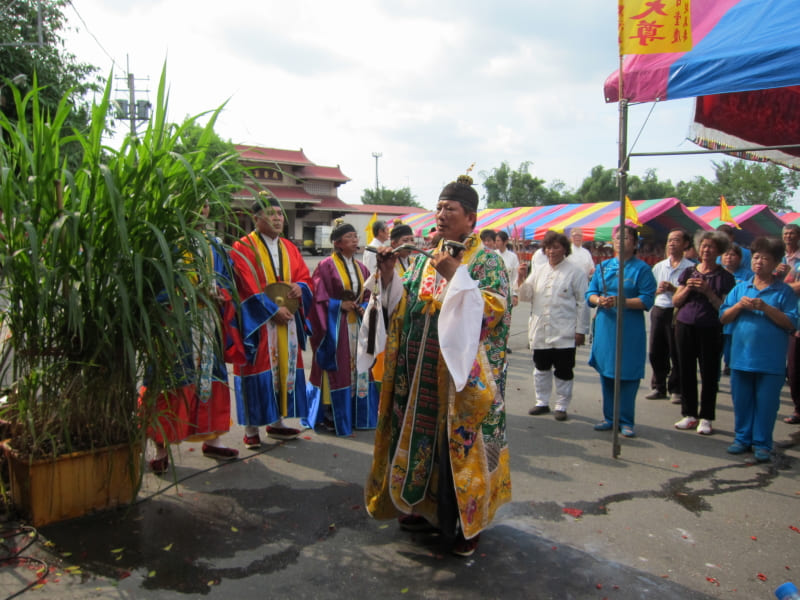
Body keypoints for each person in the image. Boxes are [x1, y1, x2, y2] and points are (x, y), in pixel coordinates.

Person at [365, 174, 511, 557]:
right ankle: (419, 506)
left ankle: (465, 523)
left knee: (455, 453)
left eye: (451, 209)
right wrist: (386, 276)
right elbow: (402, 304)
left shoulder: (487, 261)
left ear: (471, 219)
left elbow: (493, 312)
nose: (441, 215)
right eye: (439, 207)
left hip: (459, 382)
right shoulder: (427, 257)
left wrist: (454, 275)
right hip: (418, 378)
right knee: (418, 442)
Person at [146, 202, 241, 473]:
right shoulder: (167, 242)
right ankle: (160, 445)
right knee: (172, 380)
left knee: (211, 378)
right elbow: (156, 286)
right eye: (195, 203)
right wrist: (184, 297)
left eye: (206, 205)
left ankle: (213, 438)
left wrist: (220, 294)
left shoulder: (215, 245)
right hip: (179, 324)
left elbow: (225, 281)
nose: (201, 210)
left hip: (209, 322)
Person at [230, 194, 313, 449]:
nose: (277, 218)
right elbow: (246, 286)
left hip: (286, 321)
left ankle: (276, 423)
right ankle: (251, 428)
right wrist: (271, 310)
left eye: (279, 213)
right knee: (257, 371)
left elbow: (304, 277)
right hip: (259, 324)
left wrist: (301, 288)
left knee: (283, 373)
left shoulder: (290, 248)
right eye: (271, 213)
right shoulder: (242, 247)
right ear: (256, 219)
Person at [720, 236, 798, 462]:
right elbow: (723, 318)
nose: (759, 262)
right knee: (742, 400)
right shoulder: (741, 288)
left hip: (770, 361)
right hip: (741, 358)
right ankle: (742, 438)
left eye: (765, 258)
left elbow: (791, 323)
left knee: (766, 404)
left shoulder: (783, 292)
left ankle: (762, 443)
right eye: (756, 257)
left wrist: (765, 307)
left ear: (775, 263)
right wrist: (737, 306)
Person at [309, 220, 379, 436]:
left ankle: (359, 414)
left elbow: (370, 294)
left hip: (357, 326)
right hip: (336, 327)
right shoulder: (326, 266)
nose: (355, 240)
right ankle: (331, 414)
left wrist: (364, 306)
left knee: (359, 368)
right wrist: (339, 305)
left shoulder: (362, 268)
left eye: (355, 236)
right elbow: (318, 299)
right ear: (338, 243)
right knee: (337, 368)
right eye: (349, 237)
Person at [586, 225, 656, 438]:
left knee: (627, 374)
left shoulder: (642, 269)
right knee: (607, 372)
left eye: (626, 237)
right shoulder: (603, 267)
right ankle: (609, 417)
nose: (620, 240)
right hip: (606, 326)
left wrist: (622, 301)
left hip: (629, 328)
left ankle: (626, 419)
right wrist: (600, 300)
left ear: (634, 243)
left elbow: (647, 299)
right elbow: (590, 294)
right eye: (617, 237)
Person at [518, 231, 589, 421]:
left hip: (564, 330)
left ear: (565, 249)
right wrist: (521, 278)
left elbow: (583, 303)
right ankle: (541, 402)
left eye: (556, 247)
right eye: (548, 247)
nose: (552, 251)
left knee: (564, 370)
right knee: (541, 367)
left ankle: (562, 405)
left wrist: (581, 330)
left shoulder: (576, 272)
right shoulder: (539, 270)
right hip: (541, 328)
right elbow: (526, 296)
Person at [672, 231, 735, 436]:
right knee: (686, 369)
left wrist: (708, 291)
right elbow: (676, 301)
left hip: (710, 328)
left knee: (709, 372)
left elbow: (724, 307)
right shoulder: (689, 271)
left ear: (719, 250)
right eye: (704, 246)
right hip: (685, 325)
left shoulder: (725, 277)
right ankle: (689, 413)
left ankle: (706, 416)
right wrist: (688, 288)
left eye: (711, 247)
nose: (706, 250)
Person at [646, 229, 694, 403]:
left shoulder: (690, 267)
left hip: (678, 311)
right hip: (659, 309)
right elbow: (649, 290)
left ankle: (676, 388)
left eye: (676, 240)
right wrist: (657, 290)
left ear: (685, 244)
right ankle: (658, 386)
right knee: (656, 350)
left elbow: (691, 293)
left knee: (677, 350)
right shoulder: (659, 266)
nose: (672, 244)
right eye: (669, 240)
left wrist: (674, 290)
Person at [776, 223, 800, 425]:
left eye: (792, 233)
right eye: (786, 233)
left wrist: (782, 287)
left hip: (796, 318)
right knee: (789, 366)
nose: (789, 237)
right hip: (779, 315)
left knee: (795, 366)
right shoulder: (778, 259)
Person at [721, 243, 754, 375]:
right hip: (720, 312)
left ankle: (731, 364)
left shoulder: (747, 275)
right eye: (726, 254)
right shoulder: (718, 273)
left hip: (738, 314)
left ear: (740, 258)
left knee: (732, 341)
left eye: (733, 255)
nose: (729, 257)